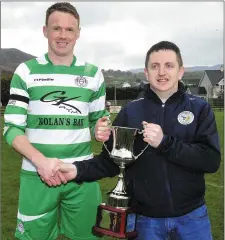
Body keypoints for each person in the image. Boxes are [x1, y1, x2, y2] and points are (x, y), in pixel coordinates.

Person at [58, 41, 221, 240]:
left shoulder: (200, 109)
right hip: (145, 221)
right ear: (146, 72)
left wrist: (165, 143)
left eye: (169, 65)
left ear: (180, 71)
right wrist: (75, 170)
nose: (162, 72)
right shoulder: (130, 112)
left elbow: (211, 160)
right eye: (155, 66)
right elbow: (110, 161)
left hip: (192, 218)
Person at [3, 2, 110, 240]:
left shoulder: (93, 74)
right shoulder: (26, 71)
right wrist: (40, 161)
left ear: (78, 33)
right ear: (45, 31)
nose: (63, 35)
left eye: (70, 29)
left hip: (82, 174)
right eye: (56, 28)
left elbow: (97, 121)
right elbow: (11, 129)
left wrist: (101, 129)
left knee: (89, 237)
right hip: (36, 174)